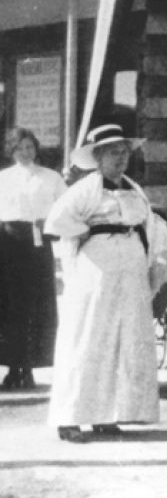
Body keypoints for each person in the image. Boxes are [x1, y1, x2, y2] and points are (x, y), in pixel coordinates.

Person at [44, 124, 167, 442]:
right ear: (98, 157)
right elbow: (56, 220)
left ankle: (107, 415)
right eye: (114, 152)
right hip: (97, 271)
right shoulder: (86, 189)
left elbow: (152, 227)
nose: (121, 158)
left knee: (123, 338)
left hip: (129, 271)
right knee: (88, 337)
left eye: (124, 152)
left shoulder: (133, 190)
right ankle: (70, 417)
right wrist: (85, 230)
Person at [0, 127, 66, 390]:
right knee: (9, 306)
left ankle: (27, 368)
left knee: (34, 306)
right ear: (11, 151)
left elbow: (65, 208)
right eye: (19, 148)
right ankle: (10, 367)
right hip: (7, 246)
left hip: (37, 245)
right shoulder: (3, 178)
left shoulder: (51, 178)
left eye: (29, 147)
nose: (26, 153)